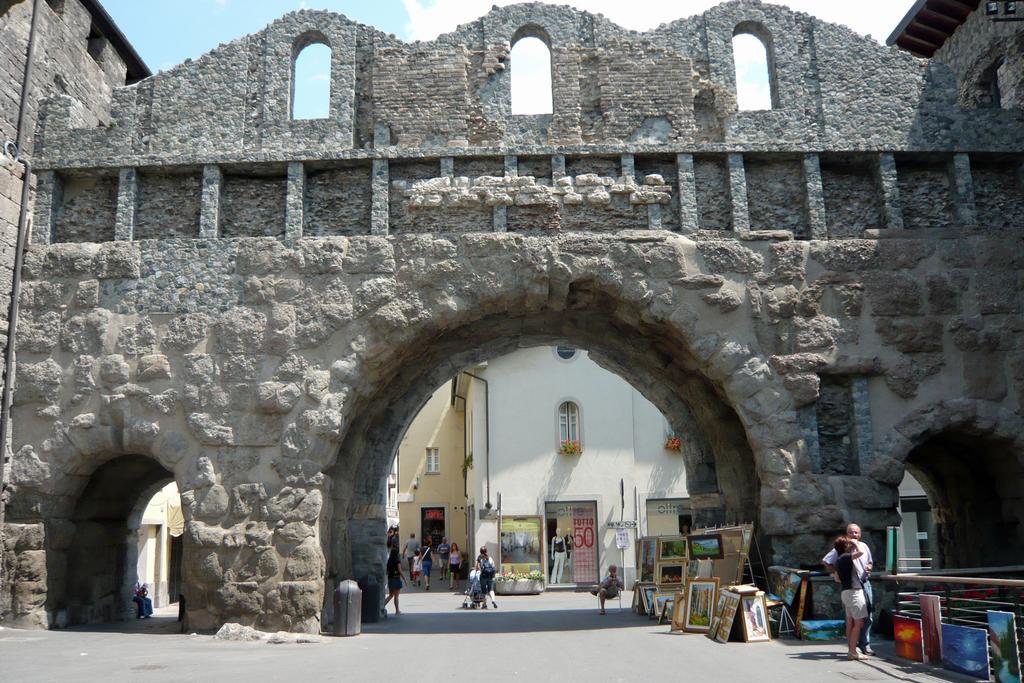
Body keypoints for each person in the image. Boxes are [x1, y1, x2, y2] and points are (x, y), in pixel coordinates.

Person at [823, 523, 875, 656]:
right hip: (854, 588)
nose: (854, 535)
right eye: (851, 532)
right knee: (857, 621)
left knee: (864, 617)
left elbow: (869, 561)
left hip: (861, 583)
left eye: (856, 532)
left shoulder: (863, 546)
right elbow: (826, 561)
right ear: (847, 535)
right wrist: (837, 573)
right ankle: (853, 649)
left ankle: (861, 646)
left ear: (860, 533)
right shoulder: (843, 553)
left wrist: (869, 567)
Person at [832, 536, 868, 661]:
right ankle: (853, 652)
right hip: (854, 592)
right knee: (858, 623)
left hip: (846, 592)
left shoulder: (838, 560)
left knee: (851, 622)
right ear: (844, 546)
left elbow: (836, 578)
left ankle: (851, 650)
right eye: (848, 543)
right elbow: (861, 552)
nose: (850, 545)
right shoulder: (845, 557)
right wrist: (856, 543)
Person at [383, 546, 406, 616]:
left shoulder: (389, 562)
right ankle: (397, 611)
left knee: (390, 595)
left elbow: (386, 571)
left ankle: (381, 606)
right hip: (396, 579)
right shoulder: (397, 561)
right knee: (396, 596)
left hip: (390, 579)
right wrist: (405, 579)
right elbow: (400, 571)